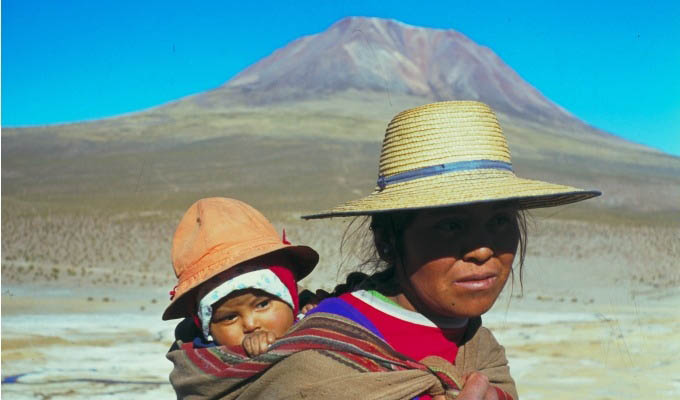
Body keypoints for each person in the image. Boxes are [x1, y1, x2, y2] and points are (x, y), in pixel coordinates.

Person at [167, 101, 600, 400]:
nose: (483, 249)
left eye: (501, 221)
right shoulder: (319, 358)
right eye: (450, 225)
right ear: (387, 240)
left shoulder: (477, 342)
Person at [162, 197, 319, 357]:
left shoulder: (319, 321)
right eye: (229, 317)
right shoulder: (201, 358)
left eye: (262, 304)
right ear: (207, 330)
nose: (250, 325)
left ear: (293, 300)